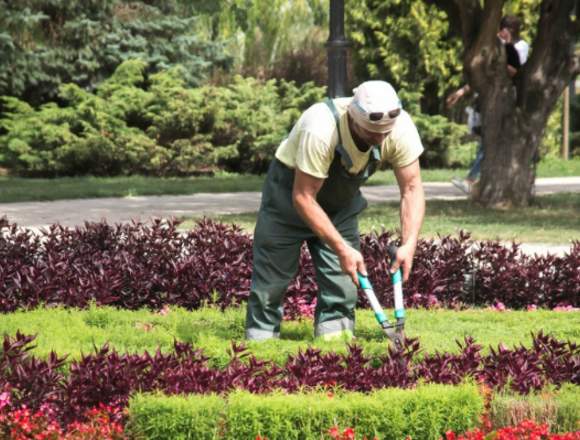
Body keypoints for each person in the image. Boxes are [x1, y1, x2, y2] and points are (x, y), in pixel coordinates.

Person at [245, 80, 425, 341]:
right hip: (288, 201)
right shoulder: (320, 127)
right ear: (353, 117)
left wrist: (409, 243)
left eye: (384, 134)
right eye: (371, 132)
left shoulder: (399, 128)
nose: (379, 139)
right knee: (270, 284)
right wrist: (341, 248)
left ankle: (335, 350)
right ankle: (260, 352)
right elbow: (303, 197)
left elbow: (411, 188)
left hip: (340, 207)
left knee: (343, 286)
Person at [448, 15, 528, 195]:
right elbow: (484, 74)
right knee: (487, 139)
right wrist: (461, 92)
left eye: (505, 29)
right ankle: (477, 183)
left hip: (508, 98)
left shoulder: (520, 47)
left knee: (489, 142)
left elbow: (513, 71)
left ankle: (471, 180)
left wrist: (504, 48)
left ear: (511, 30)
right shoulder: (500, 48)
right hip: (490, 100)